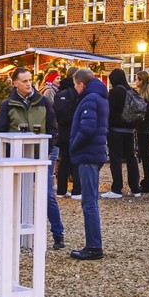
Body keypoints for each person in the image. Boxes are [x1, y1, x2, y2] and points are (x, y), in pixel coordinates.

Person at [0, 66, 64, 249]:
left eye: (30, 80)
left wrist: (47, 150)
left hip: (42, 152)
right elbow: (0, 131)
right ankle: (13, 234)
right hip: (16, 155)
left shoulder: (43, 102)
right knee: (15, 193)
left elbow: (53, 128)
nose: (28, 84)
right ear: (15, 83)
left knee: (46, 193)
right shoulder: (7, 105)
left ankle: (58, 233)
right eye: (24, 81)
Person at [69, 68, 108, 260]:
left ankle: (93, 246)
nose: (75, 89)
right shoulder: (100, 97)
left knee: (89, 202)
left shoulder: (90, 99)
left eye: (75, 85)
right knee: (91, 200)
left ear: (81, 84)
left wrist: (74, 146)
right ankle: (94, 244)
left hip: (87, 154)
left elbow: (87, 128)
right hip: (95, 152)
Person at [103, 68, 141, 198]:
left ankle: (117, 188)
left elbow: (109, 111)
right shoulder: (132, 91)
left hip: (116, 130)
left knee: (116, 159)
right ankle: (135, 188)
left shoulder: (114, 92)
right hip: (130, 130)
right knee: (131, 158)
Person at [53, 67, 81, 199]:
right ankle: (77, 190)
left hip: (63, 131)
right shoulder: (77, 92)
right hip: (75, 130)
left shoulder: (60, 92)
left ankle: (61, 190)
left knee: (64, 161)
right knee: (76, 160)